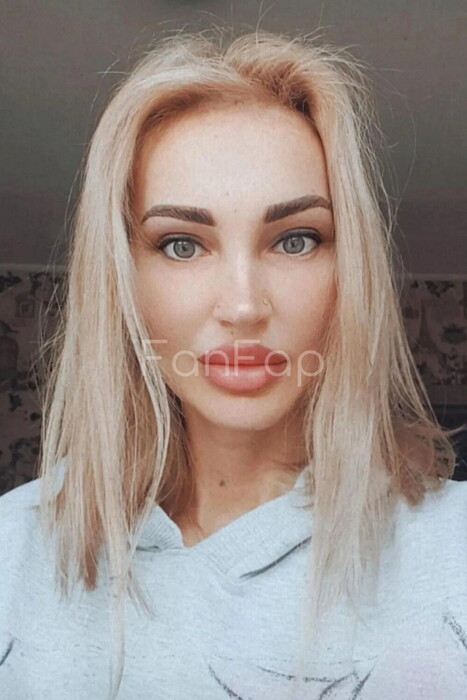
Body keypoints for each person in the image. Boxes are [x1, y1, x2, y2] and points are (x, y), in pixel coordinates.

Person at [1, 27, 466, 700]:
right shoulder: (14, 552)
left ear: (350, 271)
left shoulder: (453, 552)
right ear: (122, 278)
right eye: (182, 245)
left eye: (296, 240)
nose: (244, 306)